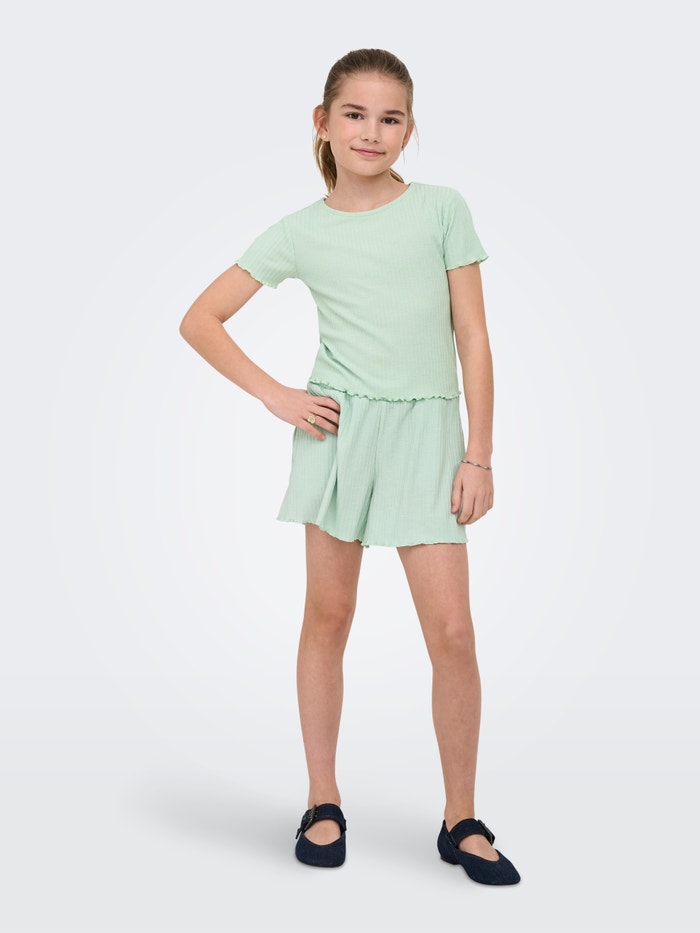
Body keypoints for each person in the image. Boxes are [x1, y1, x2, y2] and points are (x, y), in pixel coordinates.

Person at [179, 47, 520, 885]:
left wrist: (478, 452)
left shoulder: (441, 208)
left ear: (410, 128)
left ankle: (462, 817)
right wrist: (276, 395)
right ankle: (322, 799)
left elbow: (472, 334)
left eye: (390, 117)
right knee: (328, 618)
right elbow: (201, 319)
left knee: (453, 632)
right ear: (323, 122)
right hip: (339, 432)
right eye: (356, 114)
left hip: (428, 433)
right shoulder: (301, 230)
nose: (372, 131)